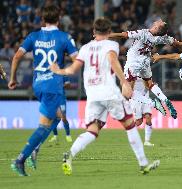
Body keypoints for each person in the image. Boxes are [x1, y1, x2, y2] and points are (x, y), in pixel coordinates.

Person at [50, 17, 160, 175]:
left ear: (94, 32)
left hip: (93, 95)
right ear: (109, 32)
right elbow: (113, 60)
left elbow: (73, 70)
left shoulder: (85, 48)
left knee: (92, 130)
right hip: (109, 93)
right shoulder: (111, 44)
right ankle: (143, 164)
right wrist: (124, 82)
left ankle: (69, 155)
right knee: (130, 125)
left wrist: (58, 71)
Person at [8, 5, 78, 176]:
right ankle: (22, 158)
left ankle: (33, 151)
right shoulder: (64, 37)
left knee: (55, 118)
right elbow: (77, 61)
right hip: (53, 86)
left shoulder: (33, 36)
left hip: (38, 84)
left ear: (42, 20)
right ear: (59, 19)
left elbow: (17, 56)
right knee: (45, 125)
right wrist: (64, 73)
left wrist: (12, 78)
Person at [109, 19, 177, 119]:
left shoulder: (143, 33)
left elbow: (123, 35)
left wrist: (107, 36)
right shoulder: (161, 38)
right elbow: (179, 43)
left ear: (157, 27)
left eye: (161, 22)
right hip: (145, 61)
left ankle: (153, 103)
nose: (159, 20)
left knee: (127, 92)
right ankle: (165, 99)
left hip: (134, 62)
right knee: (150, 84)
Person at [130, 78, 155, 147]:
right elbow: (129, 86)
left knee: (148, 117)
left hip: (145, 98)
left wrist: (147, 81)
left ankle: (147, 141)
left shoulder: (146, 71)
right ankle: (131, 135)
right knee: (139, 122)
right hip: (135, 99)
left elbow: (148, 85)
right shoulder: (131, 71)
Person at [48, 76, 73, 143]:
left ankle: (68, 135)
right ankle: (55, 136)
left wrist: (60, 86)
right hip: (52, 99)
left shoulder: (63, 74)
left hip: (61, 99)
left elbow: (68, 85)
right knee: (52, 118)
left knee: (63, 118)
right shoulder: (49, 75)